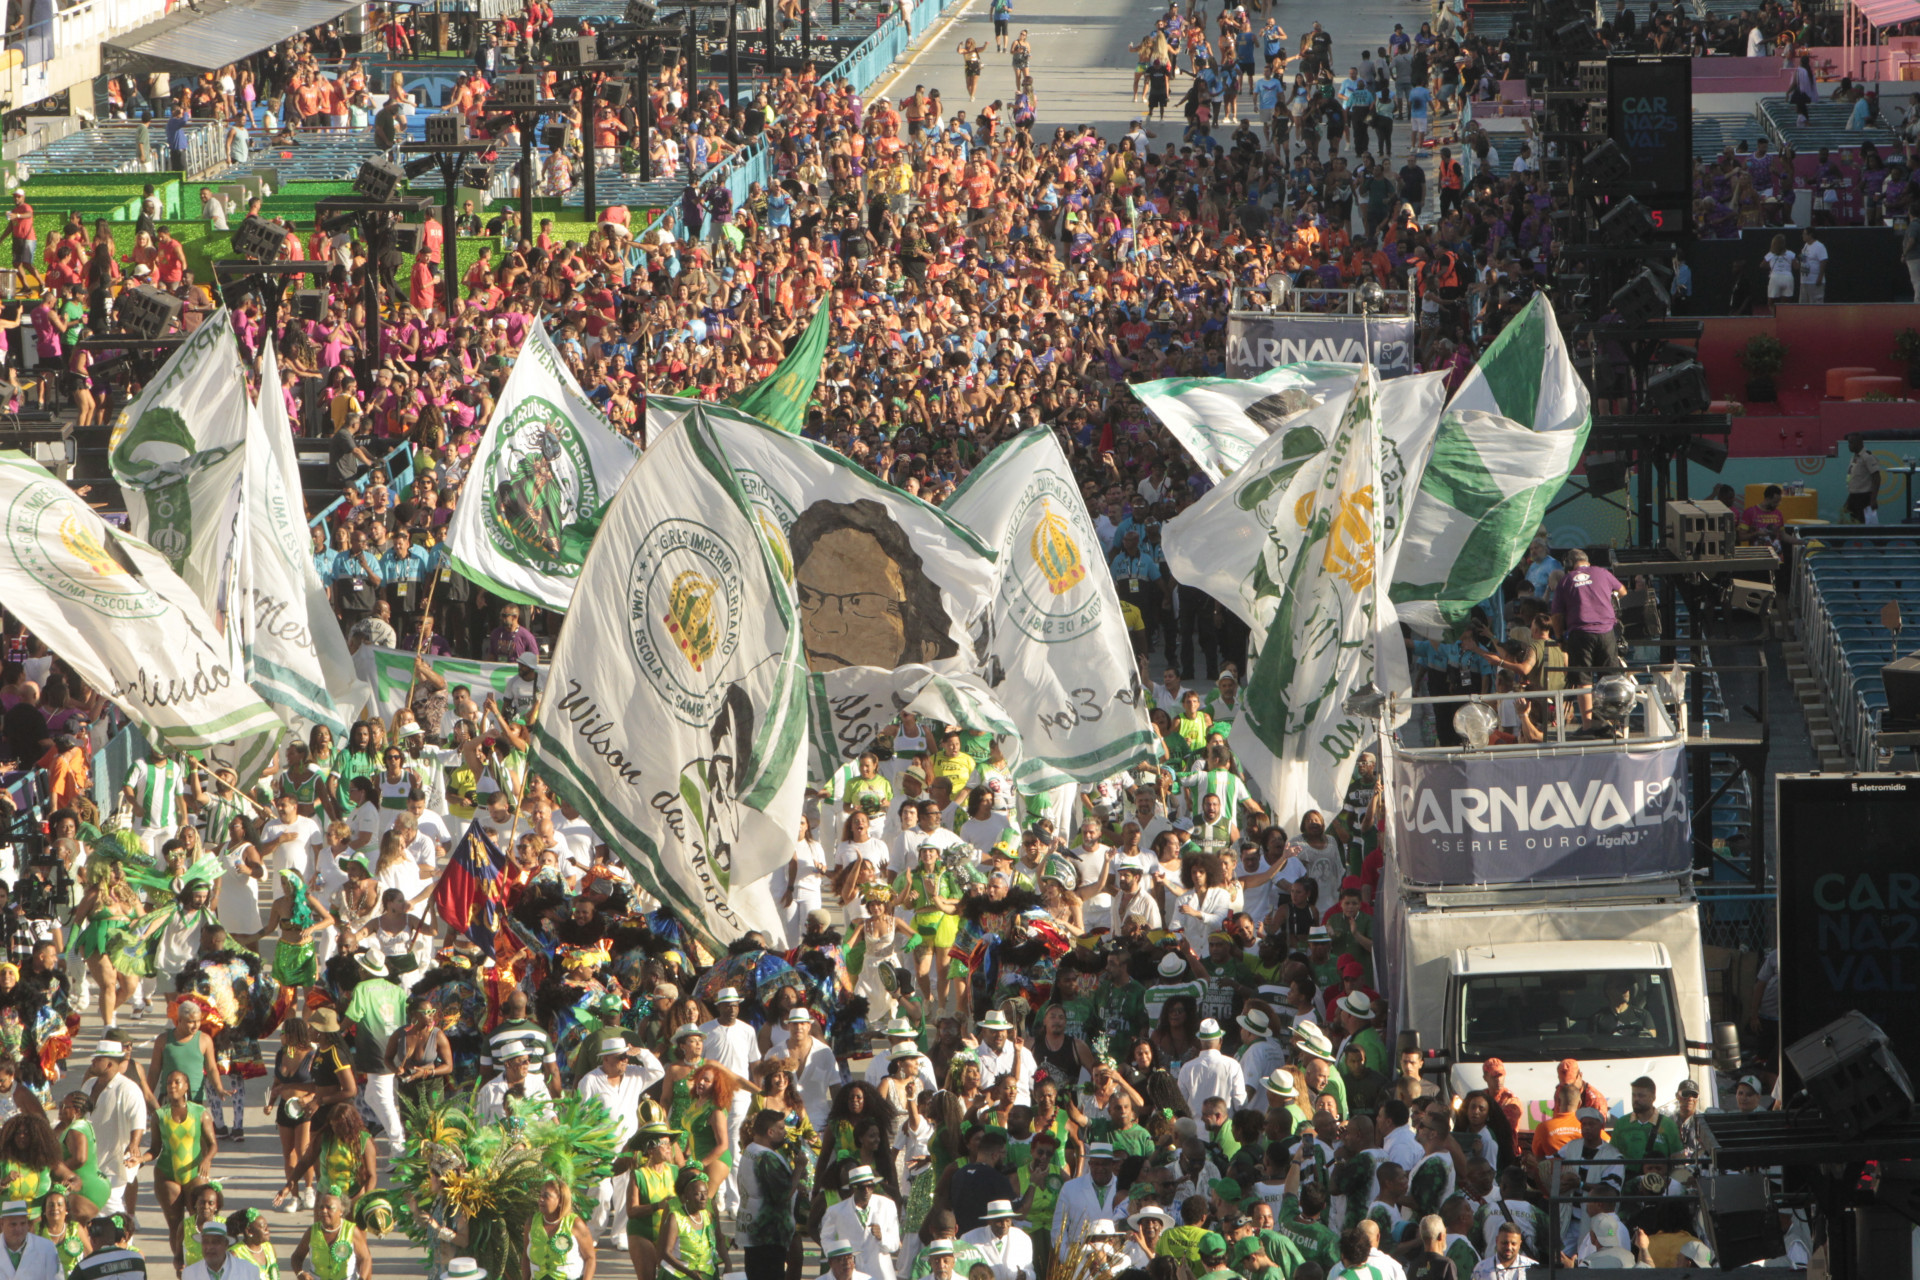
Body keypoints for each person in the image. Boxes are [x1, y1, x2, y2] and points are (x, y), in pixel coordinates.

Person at [1548, 549, 1625, 725]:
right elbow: (1623, 591)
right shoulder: (1602, 572)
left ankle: (1588, 725)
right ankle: (1612, 723)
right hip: (1606, 632)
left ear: (1568, 564)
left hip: (1580, 634)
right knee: (1610, 679)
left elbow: (1556, 615)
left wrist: (1560, 638)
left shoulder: (1565, 581)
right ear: (1587, 562)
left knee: (1584, 682)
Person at [1845, 436, 1883, 524]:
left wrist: (1873, 499)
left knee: (1864, 524)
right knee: (1854, 524)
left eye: (1851, 443)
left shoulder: (1867, 457)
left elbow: (1876, 477)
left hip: (1864, 497)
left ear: (1859, 443)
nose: (1849, 446)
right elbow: (1854, 479)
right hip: (1854, 496)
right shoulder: (1854, 458)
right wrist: (1849, 500)